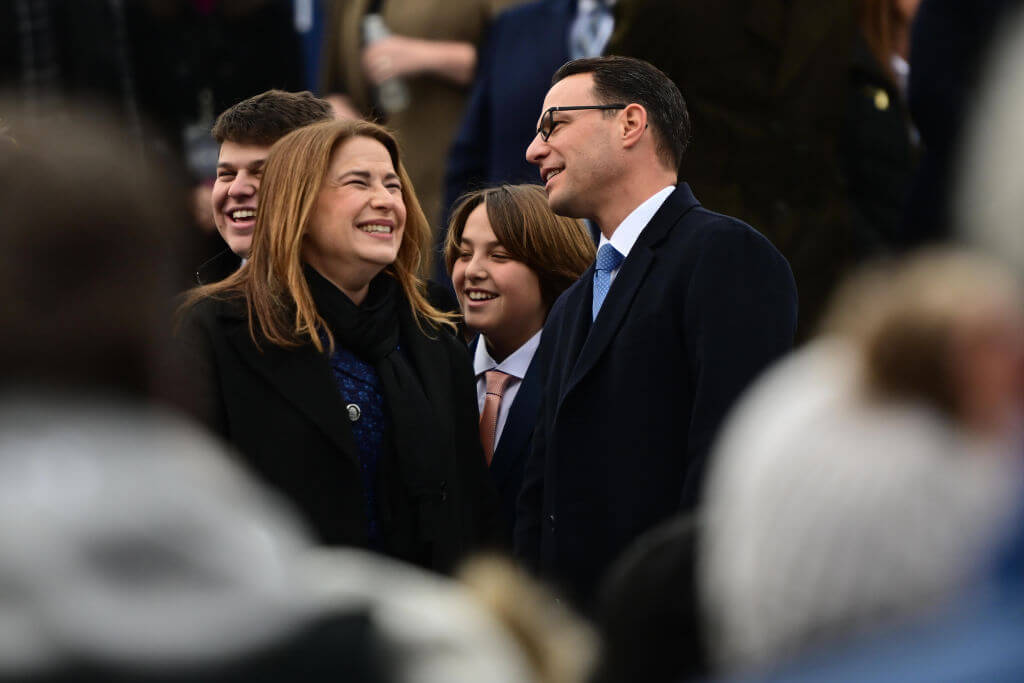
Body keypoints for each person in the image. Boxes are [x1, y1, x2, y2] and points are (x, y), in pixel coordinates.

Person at [514, 56, 798, 606]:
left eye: (554, 125)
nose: (534, 149)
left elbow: (729, 461)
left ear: (629, 123)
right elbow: (540, 489)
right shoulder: (573, 303)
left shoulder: (725, 255)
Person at [178, 119, 501, 572]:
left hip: (422, 618)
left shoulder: (434, 328)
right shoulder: (212, 330)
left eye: (392, 185)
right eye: (358, 182)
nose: (386, 201)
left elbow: (471, 506)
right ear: (299, 205)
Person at [443, 184, 595, 536]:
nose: (473, 271)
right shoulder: (435, 377)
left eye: (499, 256)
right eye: (464, 254)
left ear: (551, 265)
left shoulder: (580, 383)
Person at [442, 0, 617, 241]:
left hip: (649, 259)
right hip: (522, 251)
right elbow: (470, 161)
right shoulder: (515, 27)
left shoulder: (675, 20)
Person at [195, 89, 333, 284]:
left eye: (262, 172)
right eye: (227, 174)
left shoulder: (372, 296)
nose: (236, 189)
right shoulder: (197, 308)